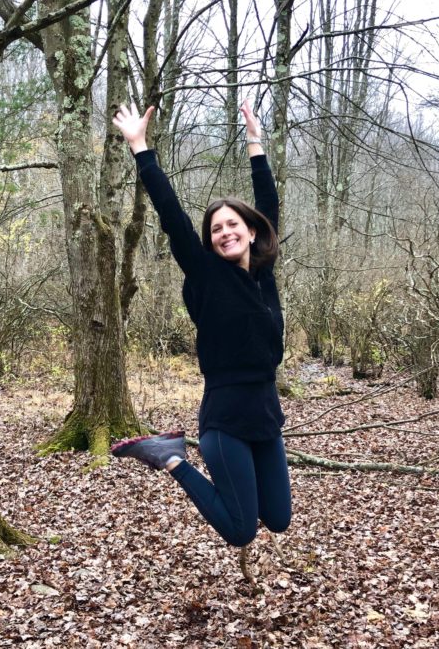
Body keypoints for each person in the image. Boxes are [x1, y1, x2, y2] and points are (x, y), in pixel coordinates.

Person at [109, 100, 291, 548]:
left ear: (251, 231)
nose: (225, 232)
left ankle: (173, 456)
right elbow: (172, 216)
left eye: (233, 225)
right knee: (240, 530)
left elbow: (267, 203)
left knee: (280, 519)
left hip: (266, 414)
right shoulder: (206, 275)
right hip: (225, 417)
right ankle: (171, 458)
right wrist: (140, 147)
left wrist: (255, 141)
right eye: (216, 229)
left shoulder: (262, 275)